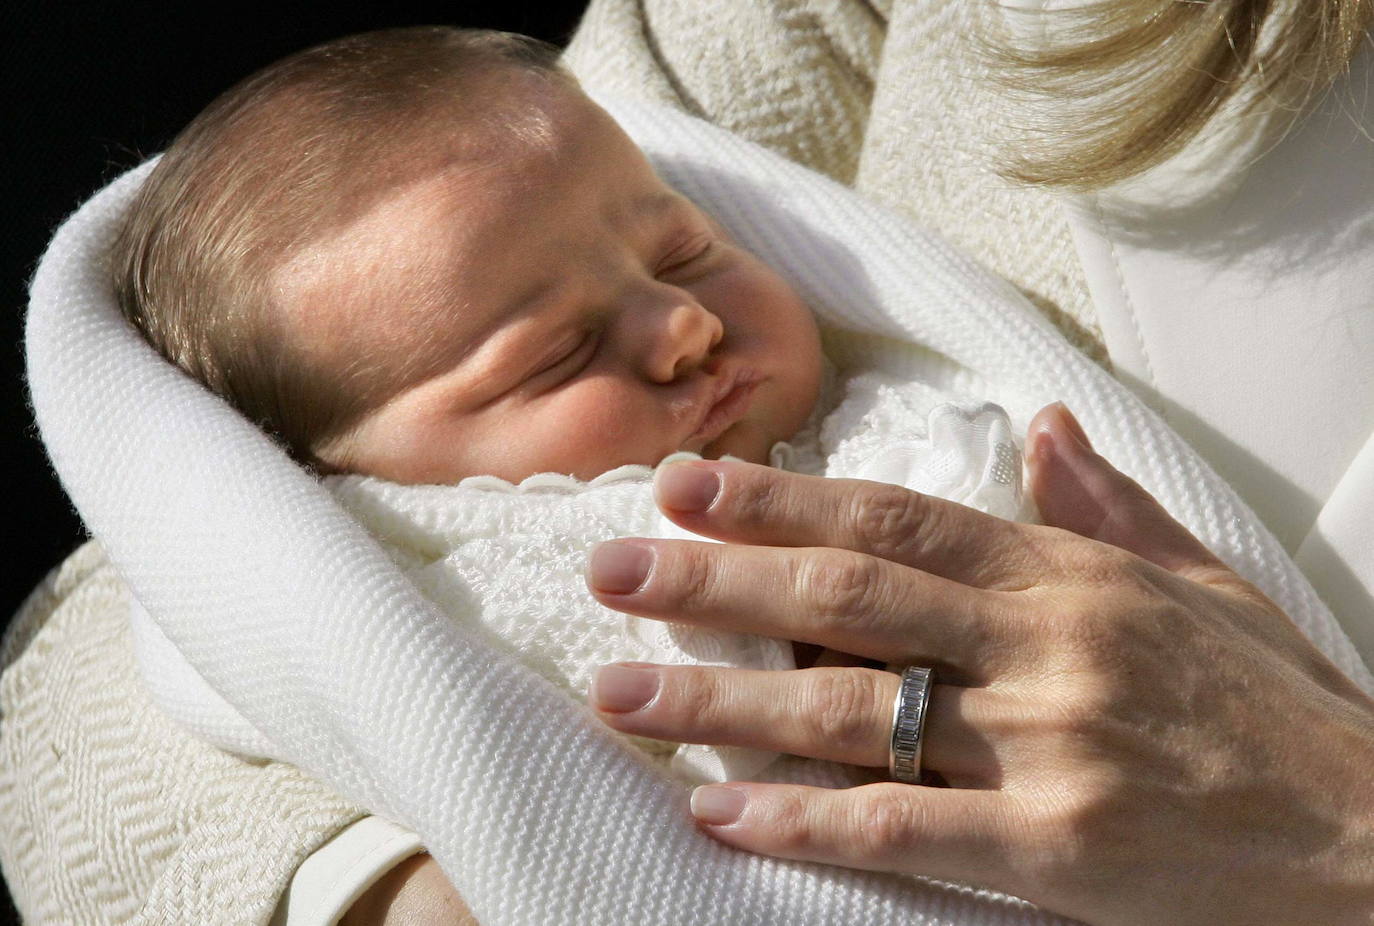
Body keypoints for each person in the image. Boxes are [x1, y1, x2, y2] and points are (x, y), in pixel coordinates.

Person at [4, 1, 1372, 923]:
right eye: (550, 358)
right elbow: (110, 637)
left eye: (688, 253)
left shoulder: (917, 434)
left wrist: (1330, 815)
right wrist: (408, 867)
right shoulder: (419, 552)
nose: (685, 323)